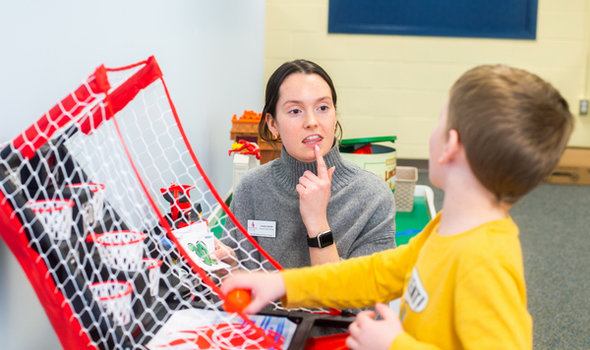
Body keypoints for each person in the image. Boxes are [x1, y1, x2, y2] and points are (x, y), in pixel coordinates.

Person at [220, 64, 574, 349]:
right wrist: (283, 284)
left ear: (450, 145)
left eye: (439, 119)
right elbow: (374, 274)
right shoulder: (445, 230)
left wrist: (394, 345)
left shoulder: (486, 261)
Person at [213, 59, 396, 270]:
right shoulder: (251, 188)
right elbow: (236, 283)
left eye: (322, 107)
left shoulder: (373, 197)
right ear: (273, 125)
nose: (311, 121)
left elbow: (365, 298)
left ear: (335, 115)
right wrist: (229, 267)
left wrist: (318, 222)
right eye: (295, 111)